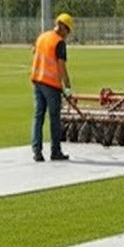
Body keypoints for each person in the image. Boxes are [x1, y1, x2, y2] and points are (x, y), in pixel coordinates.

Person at [30, 12, 74, 161]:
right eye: (67, 31)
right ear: (63, 27)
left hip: (37, 81)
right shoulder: (59, 42)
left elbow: (34, 51)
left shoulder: (42, 37)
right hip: (51, 84)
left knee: (38, 116)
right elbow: (61, 67)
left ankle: (37, 151)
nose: (67, 35)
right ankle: (55, 151)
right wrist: (67, 87)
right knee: (54, 118)